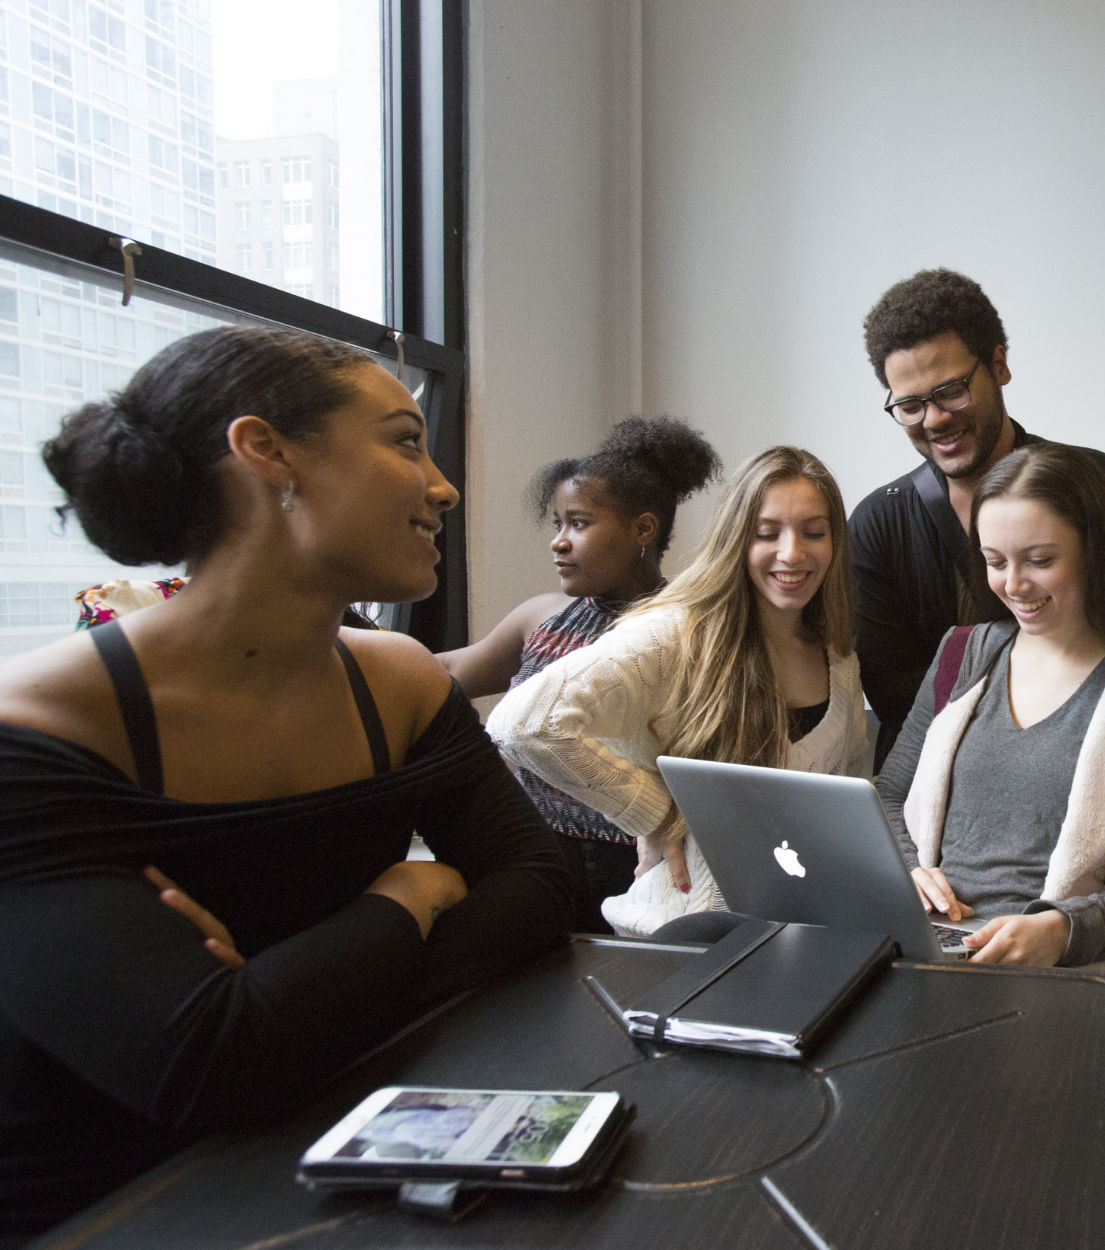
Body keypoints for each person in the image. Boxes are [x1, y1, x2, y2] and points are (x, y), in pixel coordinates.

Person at [0, 326, 571, 1241]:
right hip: (109, 1201)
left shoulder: (403, 682)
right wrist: (410, 890)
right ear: (265, 451)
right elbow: (207, 1063)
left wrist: (279, 995)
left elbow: (538, 895)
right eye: (403, 441)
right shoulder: (39, 732)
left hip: (335, 1137)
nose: (444, 486)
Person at [487, 446, 871, 934]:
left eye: (814, 533)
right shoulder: (675, 633)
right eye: (766, 533)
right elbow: (525, 724)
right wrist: (656, 814)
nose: (793, 553)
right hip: (681, 935)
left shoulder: (838, 657)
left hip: (802, 931)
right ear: (735, 539)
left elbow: (849, 799)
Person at [874, 443, 1105, 968]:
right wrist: (909, 869)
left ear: (1095, 551)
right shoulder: (963, 654)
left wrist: (1061, 930)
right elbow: (890, 793)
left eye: (1040, 561)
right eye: (995, 562)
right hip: (926, 953)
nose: (1014, 585)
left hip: (1054, 975)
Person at [850, 268, 1105, 766]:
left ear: (998, 365)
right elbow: (893, 696)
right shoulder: (877, 523)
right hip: (928, 786)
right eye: (909, 405)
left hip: (1084, 764)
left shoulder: (1096, 482)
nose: (933, 419)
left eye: (951, 391)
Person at [436, 416, 720, 930]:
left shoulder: (688, 628)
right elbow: (451, 671)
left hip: (637, 864)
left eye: (580, 523)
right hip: (532, 853)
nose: (559, 542)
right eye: (557, 524)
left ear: (643, 529)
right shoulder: (541, 617)